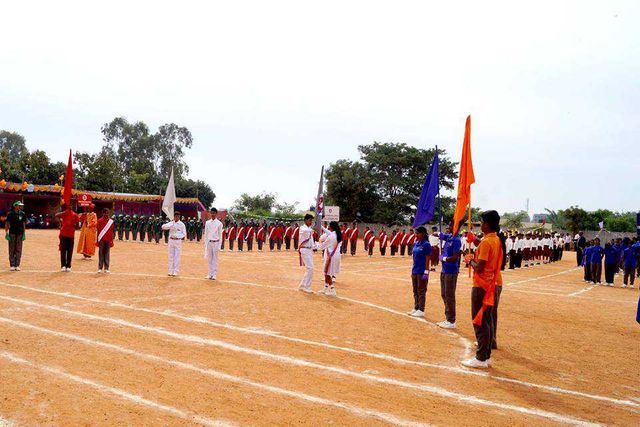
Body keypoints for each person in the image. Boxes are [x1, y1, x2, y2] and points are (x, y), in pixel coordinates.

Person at [463, 210, 503, 369]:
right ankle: (485, 355)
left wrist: (470, 260)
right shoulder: (495, 239)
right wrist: (475, 240)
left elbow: (479, 267)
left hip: (482, 285)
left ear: (487, 224)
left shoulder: (487, 242)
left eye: (481, 223)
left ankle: (480, 357)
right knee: (487, 320)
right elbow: (486, 246)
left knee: (479, 320)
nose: (481, 225)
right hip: (492, 283)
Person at [437, 224, 461, 329]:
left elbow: (455, 257)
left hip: (451, 271)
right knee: (444, 294)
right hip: (444, 270)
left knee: (449, 295)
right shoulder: (450, 237)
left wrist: (444, 258)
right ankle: (448, 317)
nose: (449, 228)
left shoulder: (456, 240)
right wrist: (438, 234)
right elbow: (443, 236)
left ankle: (451, 320)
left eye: (451, 226)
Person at [408, 226, 432, 318]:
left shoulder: (426, 244)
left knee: (421, 290)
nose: (416, 235)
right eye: (415, 233)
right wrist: (413, 271)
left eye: (418, 233)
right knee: (415, 290)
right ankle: (416, 307)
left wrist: (426, 272)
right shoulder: (416, 243)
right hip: (415, 270)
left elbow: (427, 259)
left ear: (423, 234)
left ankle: (421, 310)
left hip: (422, 271)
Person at [319, 221, 342, 296]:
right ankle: (325, 287)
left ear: (332, 227)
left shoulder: (331, 236)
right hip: (336, 255)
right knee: (327, 272)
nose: (328, 227)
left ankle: (332, 289)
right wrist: (322, 227)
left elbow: (322, 246)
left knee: (327, 273)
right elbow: (328, 232)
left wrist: (316, 244)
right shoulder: (338, 234)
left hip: (331, 256)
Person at [161, 211, 187, 277]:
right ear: (174, 217)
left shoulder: (182, 224)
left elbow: (184, 234)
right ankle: (170, 270)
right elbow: (163, 227)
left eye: (178, 216)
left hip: (177, 241)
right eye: (175, 216)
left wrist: (177, 236)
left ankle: (175, 271)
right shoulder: (171, 223)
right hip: (171, 241)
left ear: (179, 217)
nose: (176, 218)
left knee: (177, 256)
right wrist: (169, 225)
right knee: (171, 256)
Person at [55, 204, 80, 272]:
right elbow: (56, 215)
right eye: (69, 206)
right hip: (63, 234)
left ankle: (68, 266)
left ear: (73, 207)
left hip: (71, 235)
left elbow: (78, 225)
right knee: (63, 251)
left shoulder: (75, 215)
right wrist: (61, 221)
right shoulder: (65, 213)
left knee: (69, 251)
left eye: (71, 206)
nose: (70, 207)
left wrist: (74, 225)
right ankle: (63, 265)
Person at [5, 201, 27, 271]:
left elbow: (23, 224)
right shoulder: (10, 214)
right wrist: (6, 233)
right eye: (19, 205)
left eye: (21, 206)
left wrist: (24, 233)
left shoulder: (22, 214)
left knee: (18, 249)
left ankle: (17, 265)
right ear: (15, 206)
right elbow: (7, 223)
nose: (21, 207)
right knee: (12, 249)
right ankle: (12, 265)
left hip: (20, 233)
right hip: (12, 233)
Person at [297, 213, 316, 293]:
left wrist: (315, 246)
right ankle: (306, 286)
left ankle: (302, 285)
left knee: (310, 268)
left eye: (312, 220)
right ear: (305, 220)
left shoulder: (309, 229)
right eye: (310, 220)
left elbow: (311, 240)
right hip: (304, 249)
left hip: (309, 250)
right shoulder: (303, 228)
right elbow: (308, 231)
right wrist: (316, 225)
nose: (311, 222)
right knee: (310, 268)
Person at [204, 208, 223, 280]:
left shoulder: (219, 223)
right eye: (211, 213)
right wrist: (205, 244)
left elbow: (220, 235)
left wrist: (219, 246)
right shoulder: (207, 223)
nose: (212, 214)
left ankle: (214, 274)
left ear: (216, 214)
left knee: (215, 259)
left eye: (214, 213)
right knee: (209, 259)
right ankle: (209, 274)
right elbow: (206, 234)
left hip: (216, 242)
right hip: (209, 242)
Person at [96, 208, 115, 273]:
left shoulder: (111, 222)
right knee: (101, 254)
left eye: (107, 213)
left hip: (108, 240)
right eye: (105, 213)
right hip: (101, 240)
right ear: (103, 213)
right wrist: (97, 241)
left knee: (107, 254)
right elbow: (98, 231)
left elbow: (112, 231)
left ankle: (106, 268)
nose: (106, 214)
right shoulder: (99, 221)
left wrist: (112, 240)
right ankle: (100, 268)